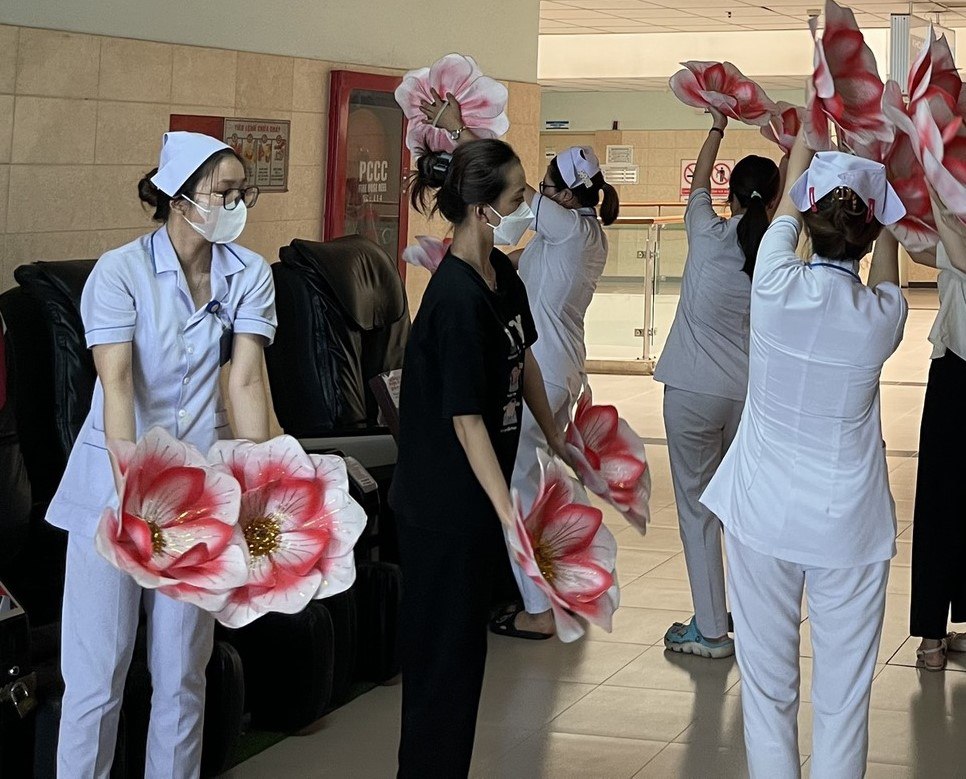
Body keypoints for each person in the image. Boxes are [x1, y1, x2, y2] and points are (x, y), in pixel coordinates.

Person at [47, 131, 276, 778]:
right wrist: (134, 495)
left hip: (198, 498)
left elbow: (245, 383)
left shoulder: (249, 273)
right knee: (98, 678)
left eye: (243, 192)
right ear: (180, 199)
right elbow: (118, 384)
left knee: (182, 674)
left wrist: (263, 490)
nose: (237, 204)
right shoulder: (119, 272)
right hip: (113, 490)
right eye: (224, 192)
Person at [700, 131, 908, 777]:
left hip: (762, 513)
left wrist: (810, 145)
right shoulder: (880, 316)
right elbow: (887, 262)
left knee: (767, 693)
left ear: (809, 223)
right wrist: (883, 185)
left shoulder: (772, 281)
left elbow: (789, 201)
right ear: (870, 234)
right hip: (847, 524)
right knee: (843, 701)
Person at [388, 138, 571, 778]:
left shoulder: (501, 276)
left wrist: (559, 438)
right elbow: (466, 423)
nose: (526, 209)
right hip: (442, 508)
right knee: (441, 668)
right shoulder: (456, 299)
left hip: (474, 503)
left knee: (465, 665)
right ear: (481, 208)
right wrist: (507, 513)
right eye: (517, 199)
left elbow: (526, 362)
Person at [419, 93, 620, 640]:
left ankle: (540, 607)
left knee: (517, 489)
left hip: (542, 370)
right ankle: (572, 582)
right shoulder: (582, 235)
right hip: (560, 370)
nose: (532, 199)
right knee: (541, 479)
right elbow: (513, 256)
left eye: (545, 188)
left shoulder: (566, 227)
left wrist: (458, 131)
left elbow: (503, 183)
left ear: (563, 194)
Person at [653, 108, 781, 658]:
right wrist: (798, 145)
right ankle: (756, 621)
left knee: (698, 511)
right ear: (772, 201)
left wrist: (717, 125)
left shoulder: (705, 234)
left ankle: (709, 631)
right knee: (743, 510)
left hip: (690, 392)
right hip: (746, 398)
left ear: (730, 195)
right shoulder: (775, 251)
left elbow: (700, 182)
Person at [906, 190, 966, 671]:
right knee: (941, 498)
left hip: (957, 375)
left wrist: (933, 181)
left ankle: (940, 633)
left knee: (946, 500)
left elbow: (954, 254)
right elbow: (927, 251)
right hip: (952, 369)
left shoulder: (956, 230)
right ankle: (932, 633)